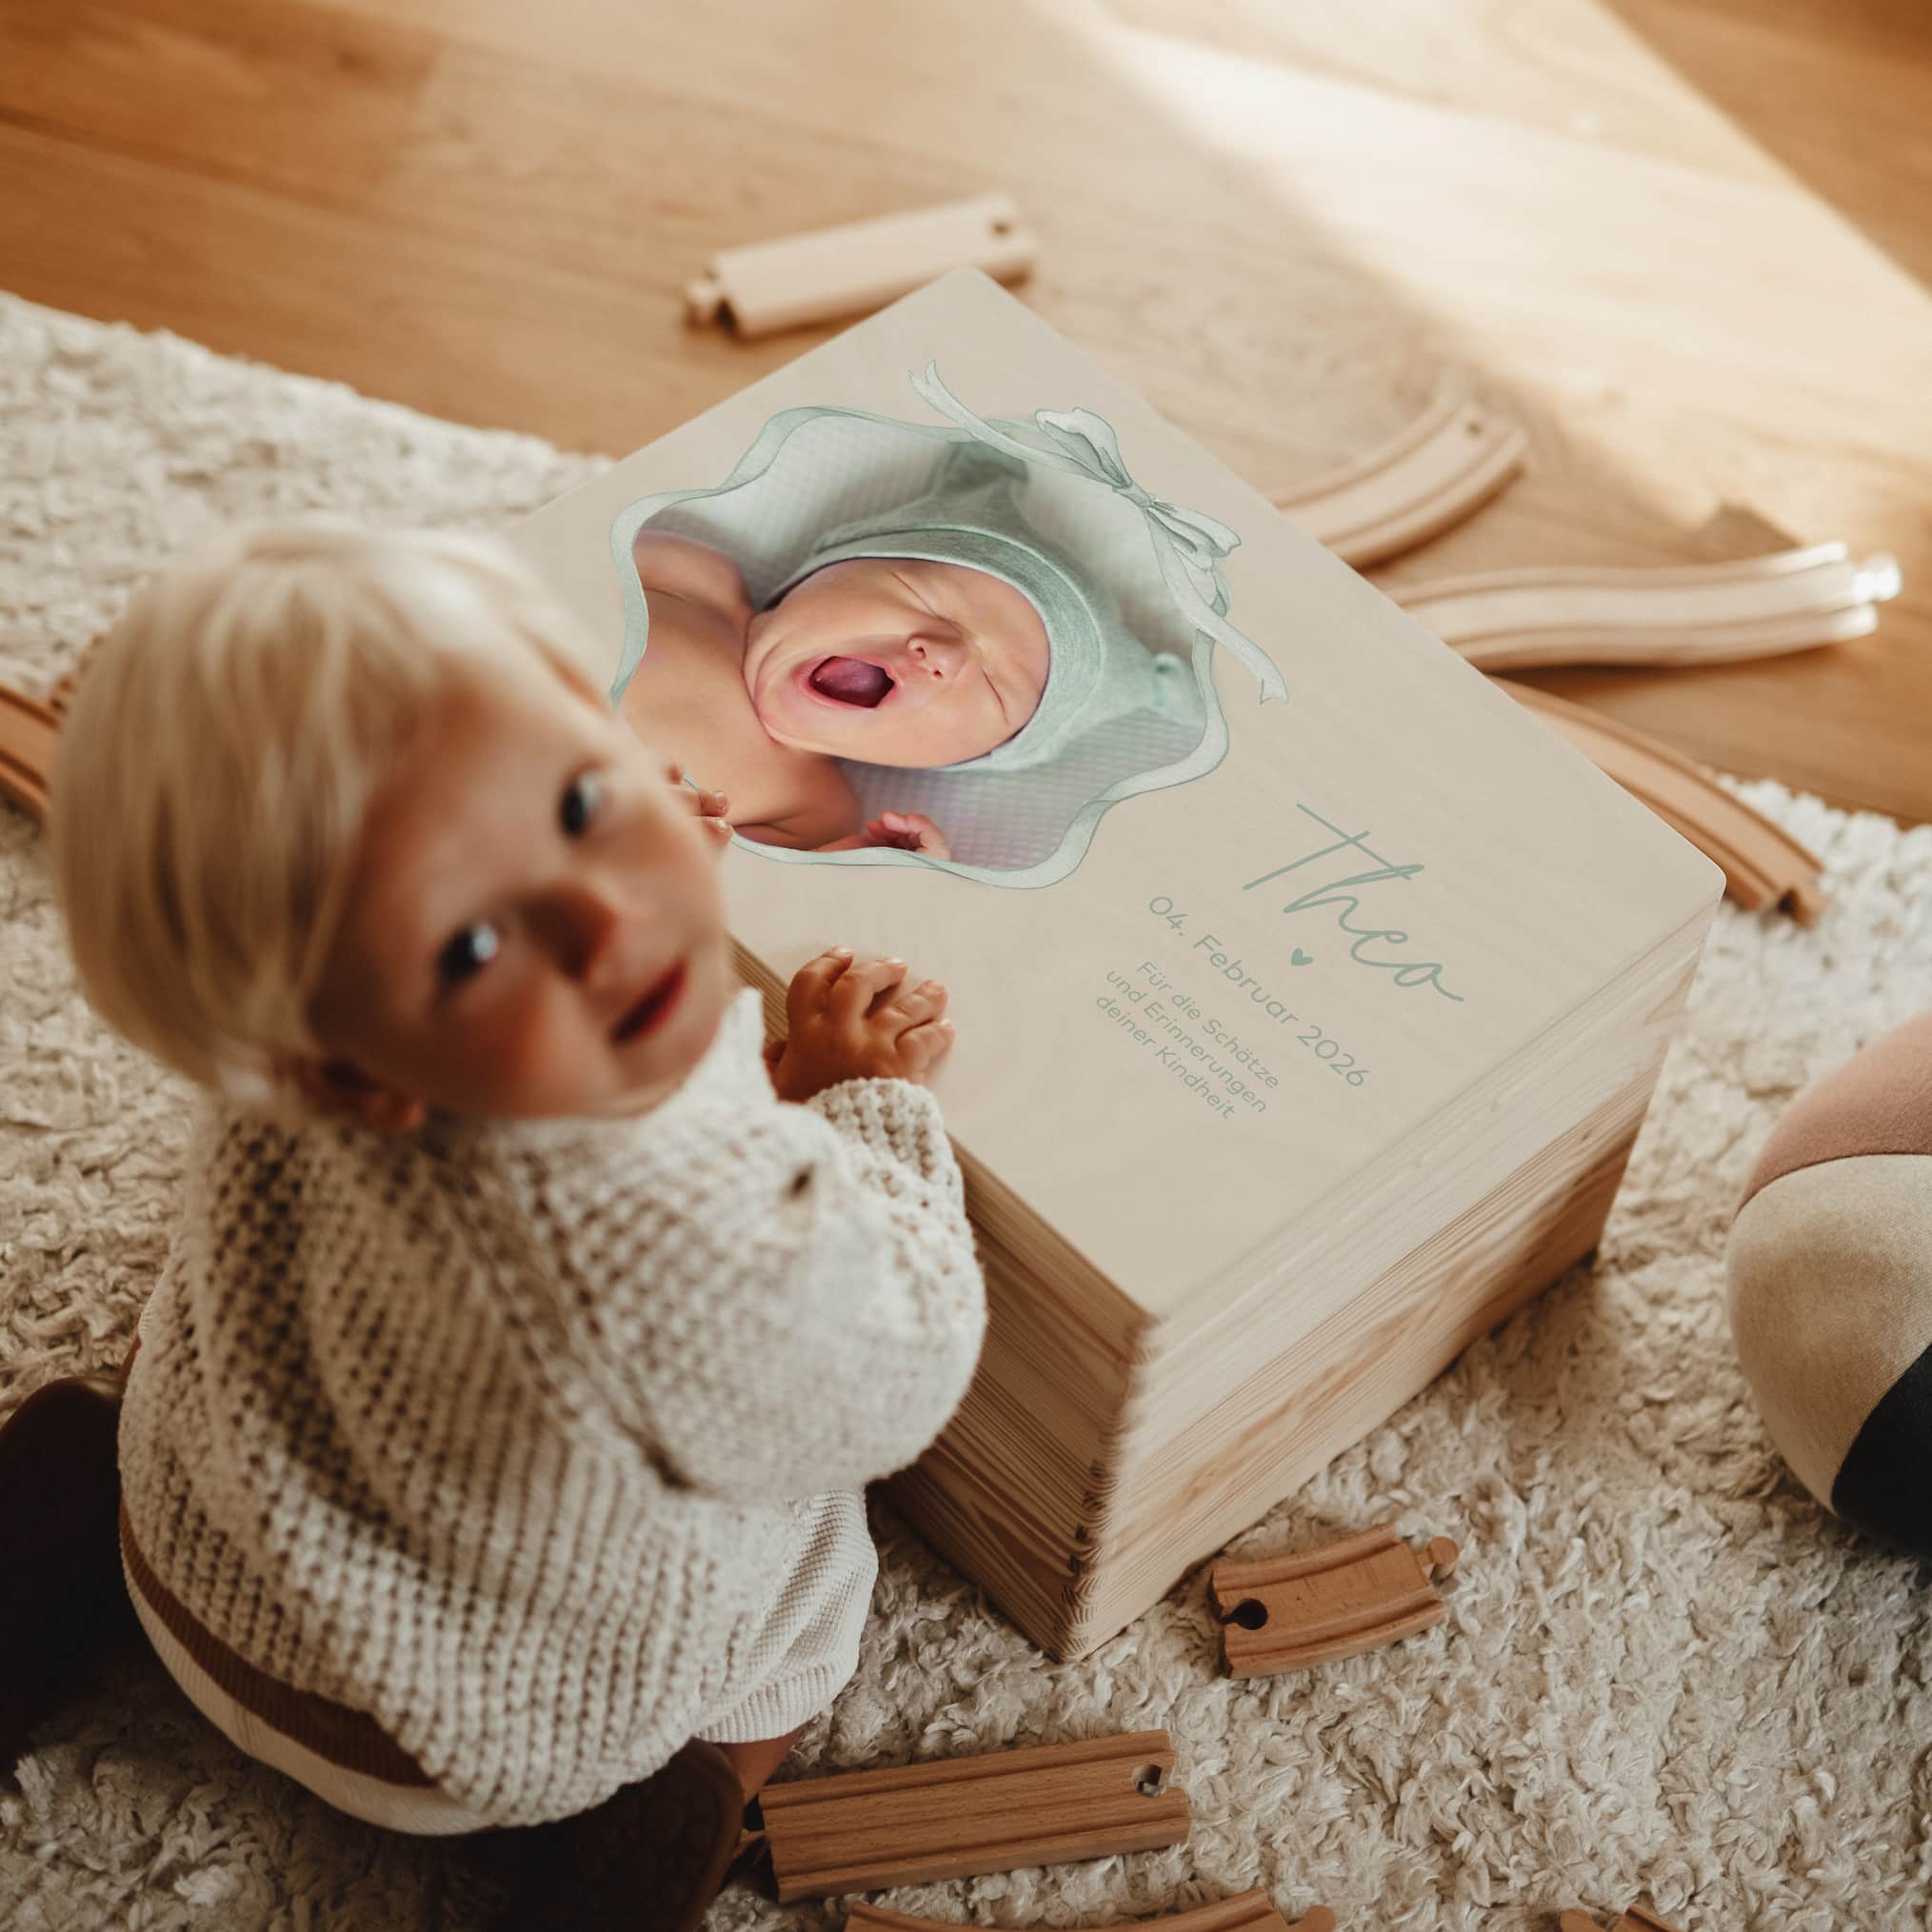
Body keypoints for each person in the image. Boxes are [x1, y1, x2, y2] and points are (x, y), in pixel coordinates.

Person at [4, 518, 987, 1932]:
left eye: (582, 802)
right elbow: (898, 1365)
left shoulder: (305, 1043)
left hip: (189, 1560)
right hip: (457, 1736)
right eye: (474, 944)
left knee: (168, 1388)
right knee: (814, 1581)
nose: (606, 923)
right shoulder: (681, 1236)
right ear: (343, 1061)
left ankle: (55, 1529)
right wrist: (852, 1107)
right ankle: (671, 1816)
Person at [626, 440, 1197, 859]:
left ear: (963, 763)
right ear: (828, 567)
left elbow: (756, 905)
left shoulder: (815, 810)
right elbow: (558, 549)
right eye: (921, 594)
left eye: (997, 689)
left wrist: (876, 863)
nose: (943, 653)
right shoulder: (694, 581)